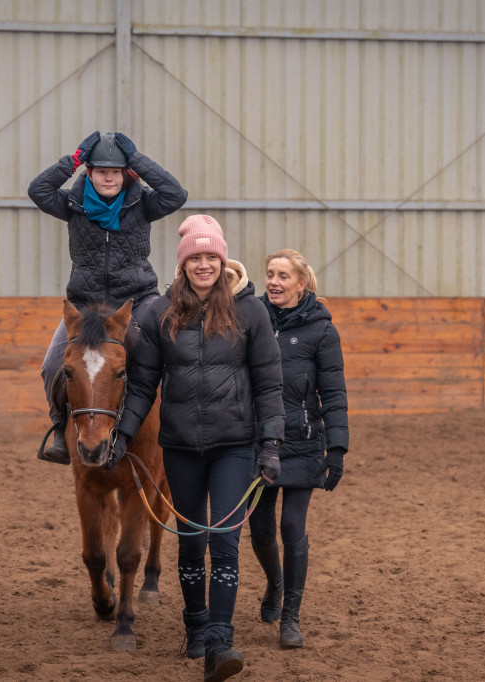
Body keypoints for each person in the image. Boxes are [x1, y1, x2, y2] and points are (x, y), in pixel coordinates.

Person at [106, 215, 285, 682]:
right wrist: (123, 434)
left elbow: (268, 383)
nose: (204, 265)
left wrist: (271, 444)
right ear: (183, 264)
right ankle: (196, 629)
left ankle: (220, 643)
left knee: (224, 543)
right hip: (181, 446)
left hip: (234, 444)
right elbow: (143, 386)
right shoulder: (158, 314)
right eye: (195, 258)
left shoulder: (251, 313)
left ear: (223, 261)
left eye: (211, 257)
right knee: (190, 544)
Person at [28, 131, 187, 464]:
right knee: (50, 365)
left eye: (116, 171)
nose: (109, 177)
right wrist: (73, 158)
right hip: (85, 307)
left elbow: (175, 194)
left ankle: (176, 428)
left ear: (126, 173)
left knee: (168, 357)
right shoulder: (72, 205)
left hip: (137, 300)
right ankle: (60, 431)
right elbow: (38, 190)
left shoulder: (143, 203)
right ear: (89, 172)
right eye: (101, 170)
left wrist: (139, 160)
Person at [248, 248, 349, 649]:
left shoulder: (322, 331)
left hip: (304, 441)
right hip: (259, 442)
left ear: (301, 284)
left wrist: (337, 448)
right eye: (270, 274)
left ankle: (291, 615)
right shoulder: (250, 317)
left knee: (291, 527)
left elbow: (335, 392)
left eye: (283, 276)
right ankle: (275, 581)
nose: (273, 281)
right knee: (258, 530)